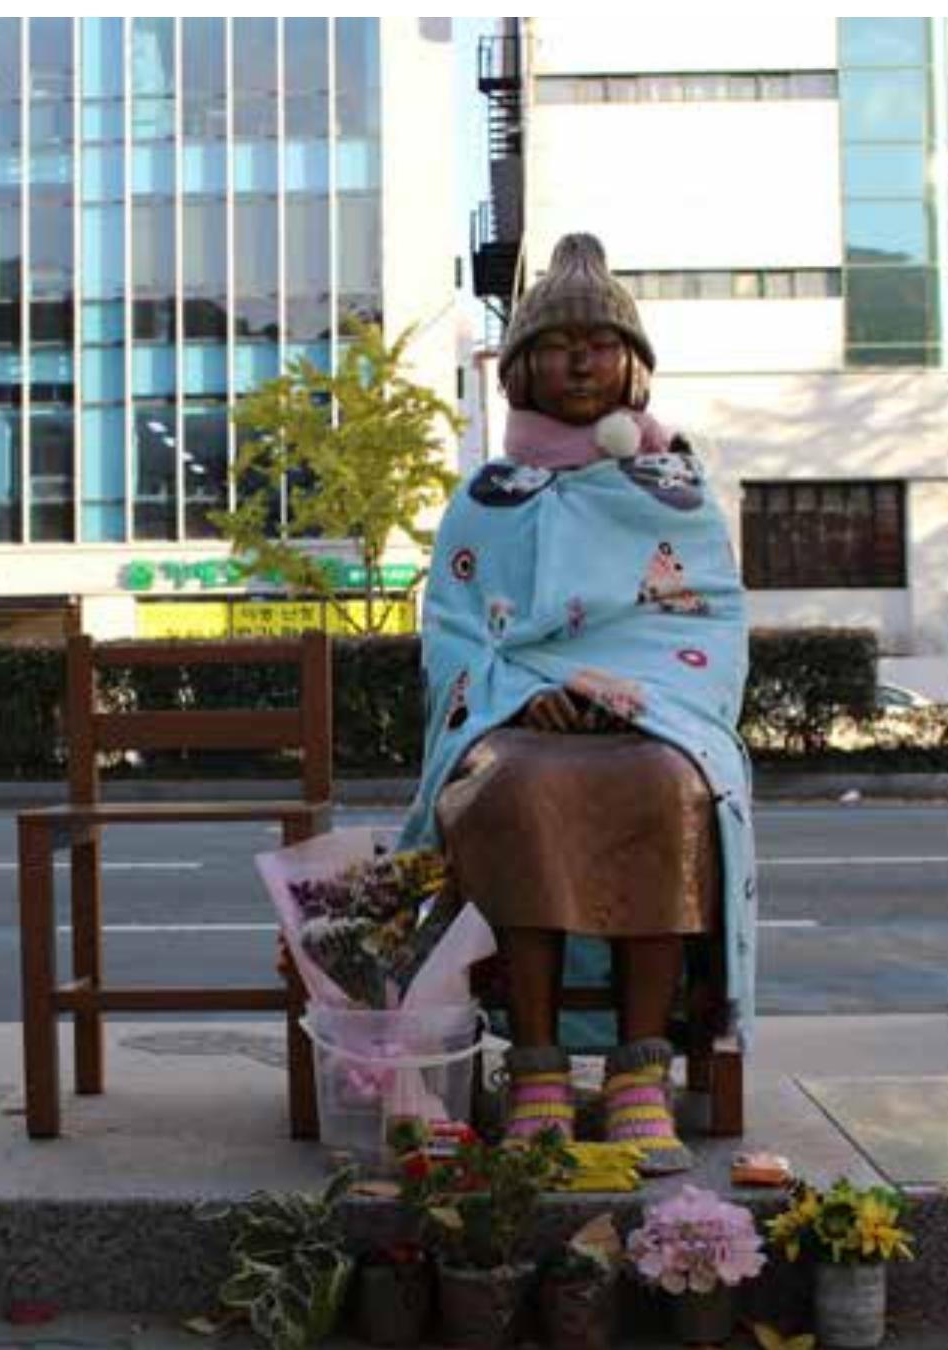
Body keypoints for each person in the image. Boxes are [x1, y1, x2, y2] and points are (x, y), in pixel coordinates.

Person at [398, 233, 758, 1176]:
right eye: (562, 343)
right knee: (510, 792)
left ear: (634, 367)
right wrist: (529, 694)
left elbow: (708, 625)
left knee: (670, 789)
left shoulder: (674, 495)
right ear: (521, 370)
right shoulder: (489, 496)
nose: (584, 358)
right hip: (518, 726)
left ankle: (641, 1068)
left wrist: (643, 703)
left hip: (655, 725)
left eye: (603, 342)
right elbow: (455, 629)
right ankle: (538, 1065)